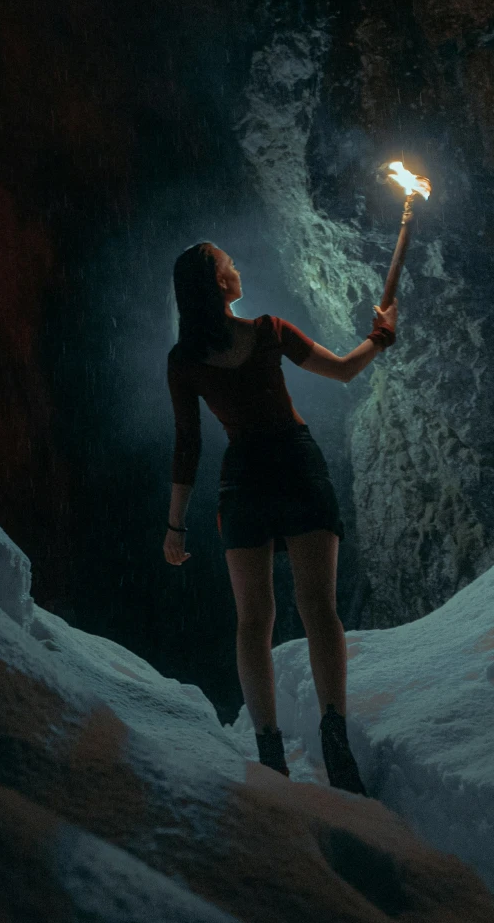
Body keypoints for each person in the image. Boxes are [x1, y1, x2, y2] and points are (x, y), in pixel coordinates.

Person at [161, 241, 395, 794]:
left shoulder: (185, 359)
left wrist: (174, 525)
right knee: (320, 610)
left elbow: (187, 445)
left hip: (244, 480)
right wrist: (380, 337)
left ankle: (270, 752)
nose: (238, 266)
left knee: (252, 622)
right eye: (229, 263)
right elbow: (341, 371)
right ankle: (333, 738)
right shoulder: (267, 330)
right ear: (219, 284)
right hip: (295, 465)